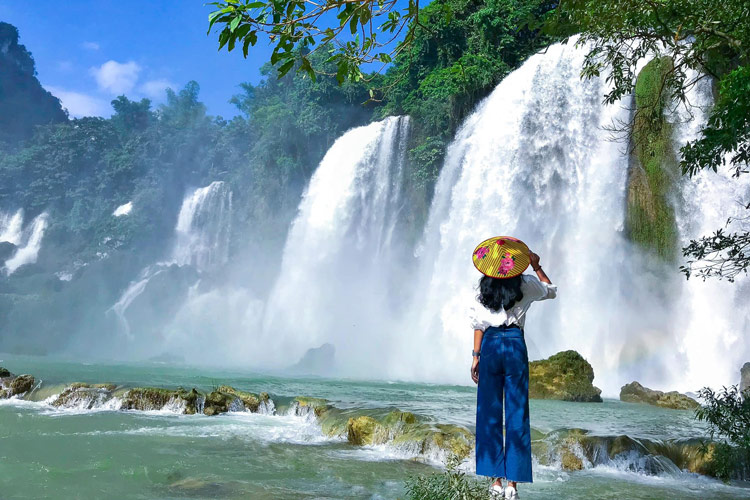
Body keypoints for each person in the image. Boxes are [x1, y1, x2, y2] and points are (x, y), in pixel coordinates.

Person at [469, 250, 556, 499]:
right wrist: (537, 267)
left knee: (489, 413)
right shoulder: (525, 283)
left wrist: (476, 357)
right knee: (517, 413)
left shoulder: (482, 287)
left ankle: (495, 481)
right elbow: (551, 291)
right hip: (515, 344)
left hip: (491, 345)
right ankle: (512, 486)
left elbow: (478, 324)